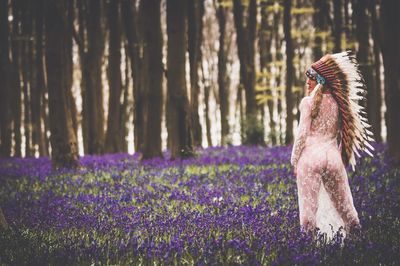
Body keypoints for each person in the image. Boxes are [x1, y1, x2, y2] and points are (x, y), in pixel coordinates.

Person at [290, 51, 375, 242]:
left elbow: (302, 134)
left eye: (310, 79)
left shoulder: (308, 103)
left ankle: (306, 249)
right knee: (346, 208)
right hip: (333, 158)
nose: (307, 83)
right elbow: (342, 132)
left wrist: (294, 161)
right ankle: (360, 245)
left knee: (308, 215)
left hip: (310, 158)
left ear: (319, 80)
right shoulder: (340, 103)